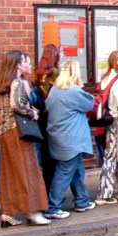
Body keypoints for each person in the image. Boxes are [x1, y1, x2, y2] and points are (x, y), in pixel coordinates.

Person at [0, 50, 49, 227]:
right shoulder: (17, 81)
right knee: (29, 170)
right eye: (25, 61)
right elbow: (16, 105)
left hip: (6, 130)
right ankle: (33, 211)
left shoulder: (5, 81)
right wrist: (31, 112)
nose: (28, 64)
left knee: (10, 173)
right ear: (17, 64)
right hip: (18, 131)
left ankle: (7, 213)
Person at [43, 60, 95, 219]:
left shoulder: (54, 90)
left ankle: (82, 201)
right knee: (64, 172)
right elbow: (89, 104)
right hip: (71, 139)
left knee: (76, 170)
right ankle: (52, 207)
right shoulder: (72, 91)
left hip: (58, 137)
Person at [95, 51, 118, 205]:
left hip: (106, 121)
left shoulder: (104, 78)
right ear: (117, 62)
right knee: (111, 155)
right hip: (115, 122)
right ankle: (105, 192)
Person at [33, 44, 60, 191]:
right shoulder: (54, 73)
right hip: (51, 116)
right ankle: (51, 191)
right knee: (52, 158)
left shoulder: (39, 72)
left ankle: (45, 189)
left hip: (41, 118)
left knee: (45, 155)